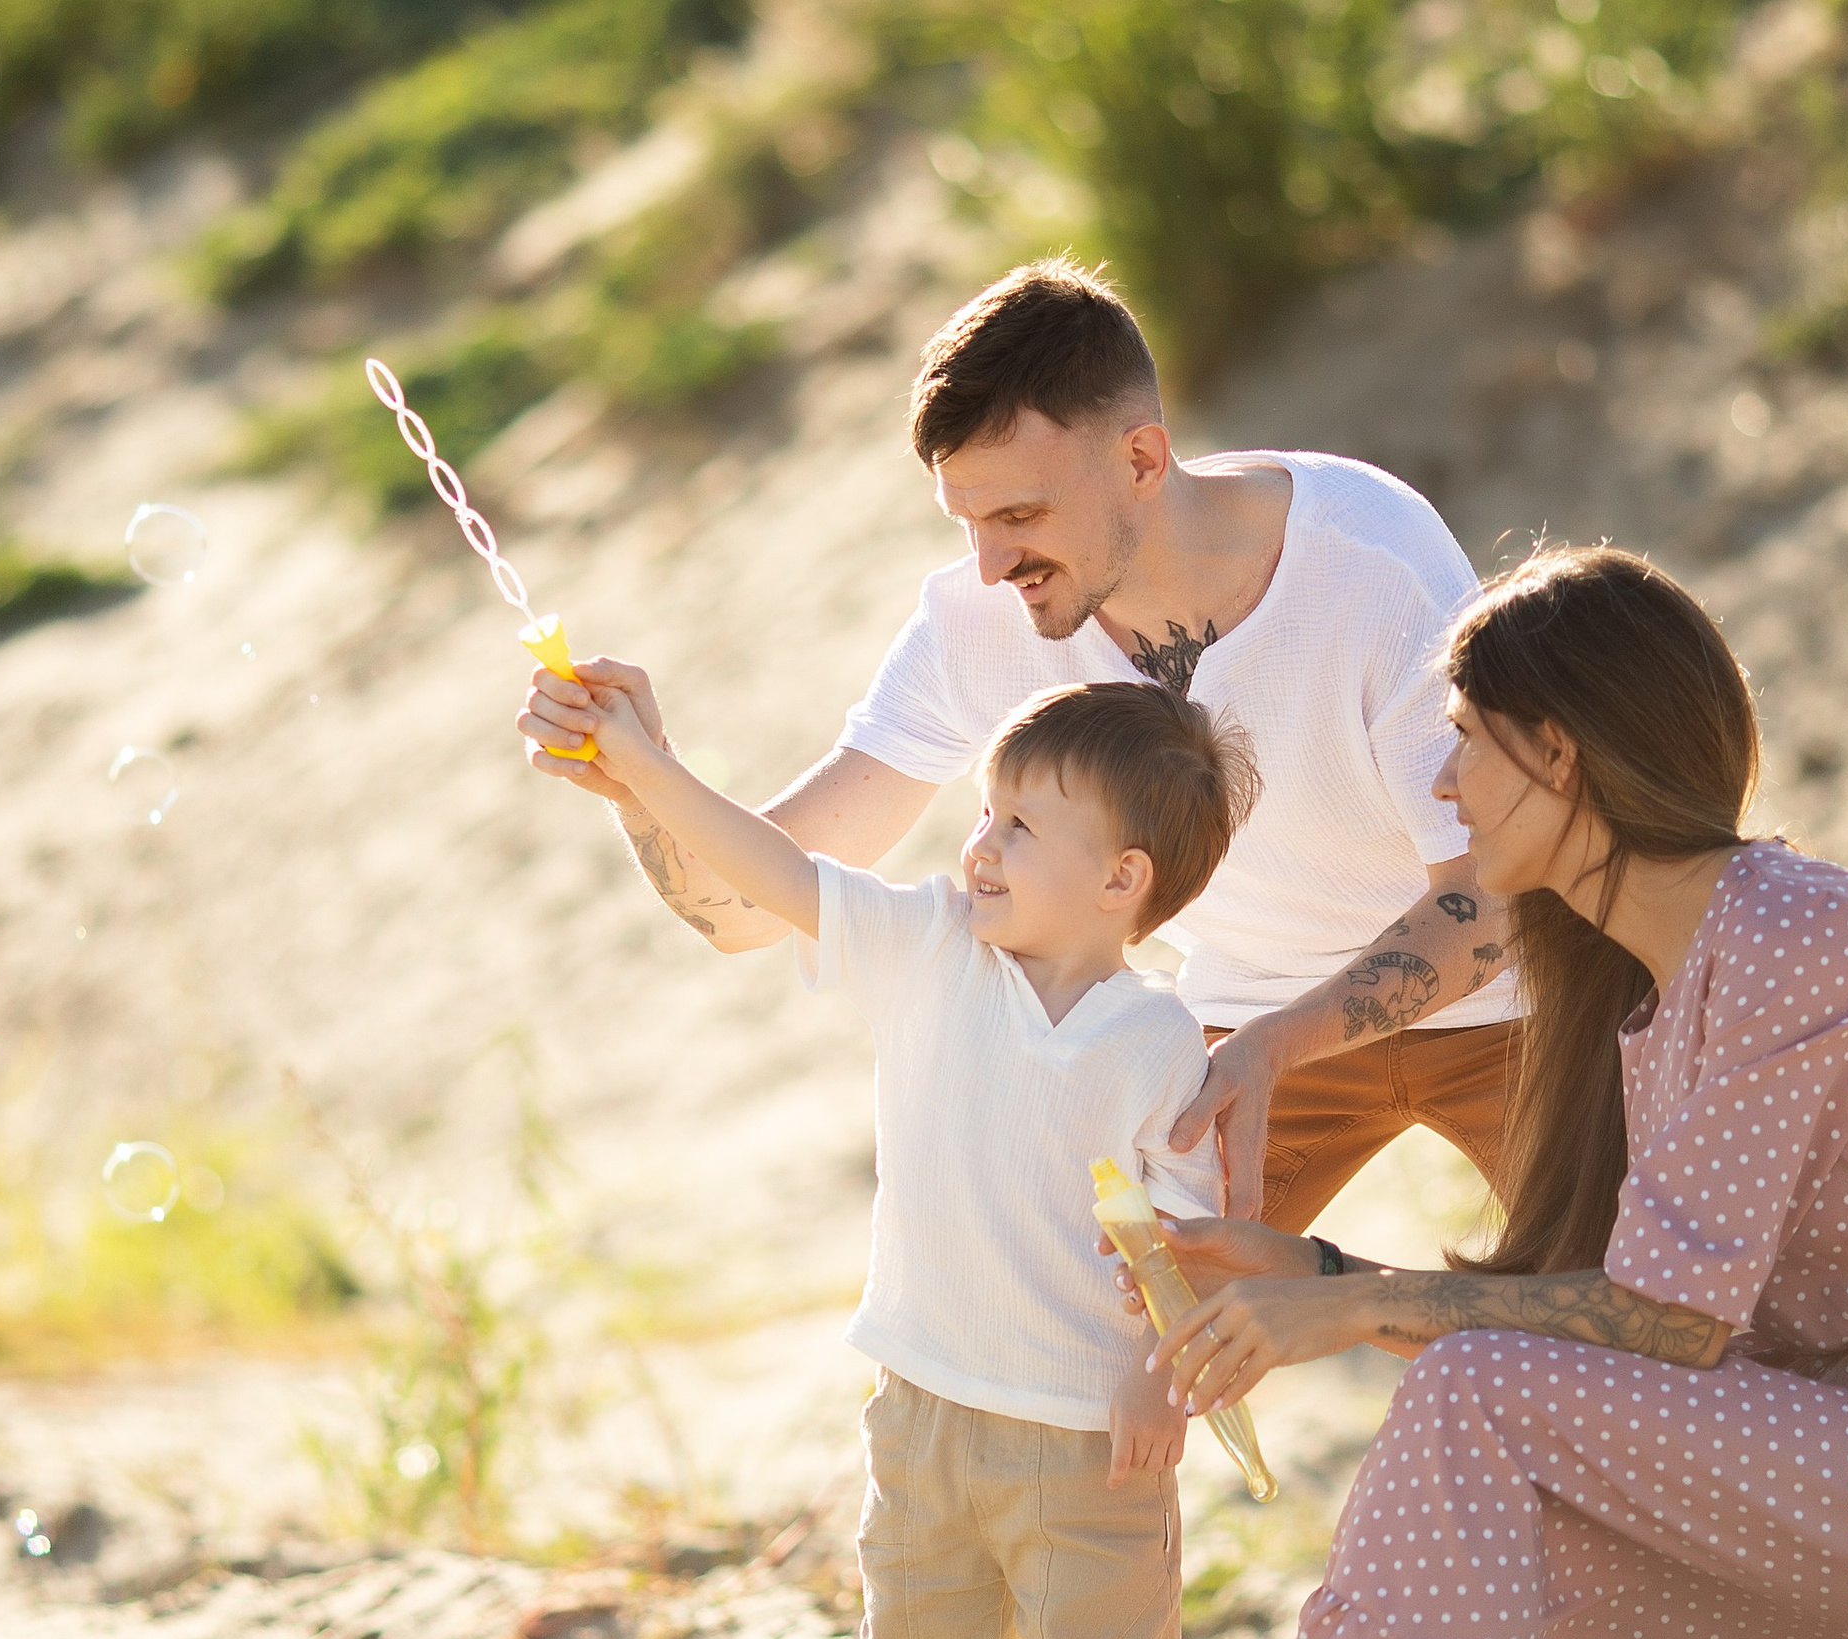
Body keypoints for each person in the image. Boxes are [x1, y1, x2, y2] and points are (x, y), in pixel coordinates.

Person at [1132, 545, 1848, 1639]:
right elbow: (1608, 1320)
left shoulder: (1792, 937)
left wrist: (1360, 1304)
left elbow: (1668, 1328)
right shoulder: (1648, 980)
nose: (1441, 792)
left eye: (1461, 745)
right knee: (1483, 1456)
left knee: (1473, 1395)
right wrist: (1319, 1279)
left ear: (1558, 754)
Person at [518, 256, 1519, 1232]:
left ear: (1140, 459)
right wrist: (639, 786)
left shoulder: (1369, 563)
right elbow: (745, 913)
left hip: (1507, 1004)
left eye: (1018, 515)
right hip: (1243, 1029)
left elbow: (1487, 901)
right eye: (966, 522)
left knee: (1647, 1333)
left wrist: (1272, 1044)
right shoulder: (980, 621)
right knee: (1108, 1348)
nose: (991, 564)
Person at [554, 664, 1256, 1639]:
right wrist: (643, 769)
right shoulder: (929, 946)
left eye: (1020, 829)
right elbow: (777, 872)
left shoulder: (1158, 1042)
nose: (977, 846)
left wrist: (1166, 1375)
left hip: (1088, 1440)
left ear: (1123, 882)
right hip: (921, 1409)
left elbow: (1185, 1245)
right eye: (984, 815)